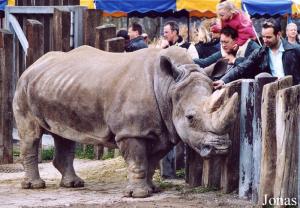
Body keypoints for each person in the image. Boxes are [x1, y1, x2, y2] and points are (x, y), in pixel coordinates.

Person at [213, 19, 300, 89]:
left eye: (269, 37)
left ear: (278, 35)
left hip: (292, 93)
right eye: (263, 37)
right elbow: (242, 67)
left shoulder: (295, 50)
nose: (265, 40)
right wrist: (223, 80)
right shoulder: (260, 52)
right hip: (271, 93)